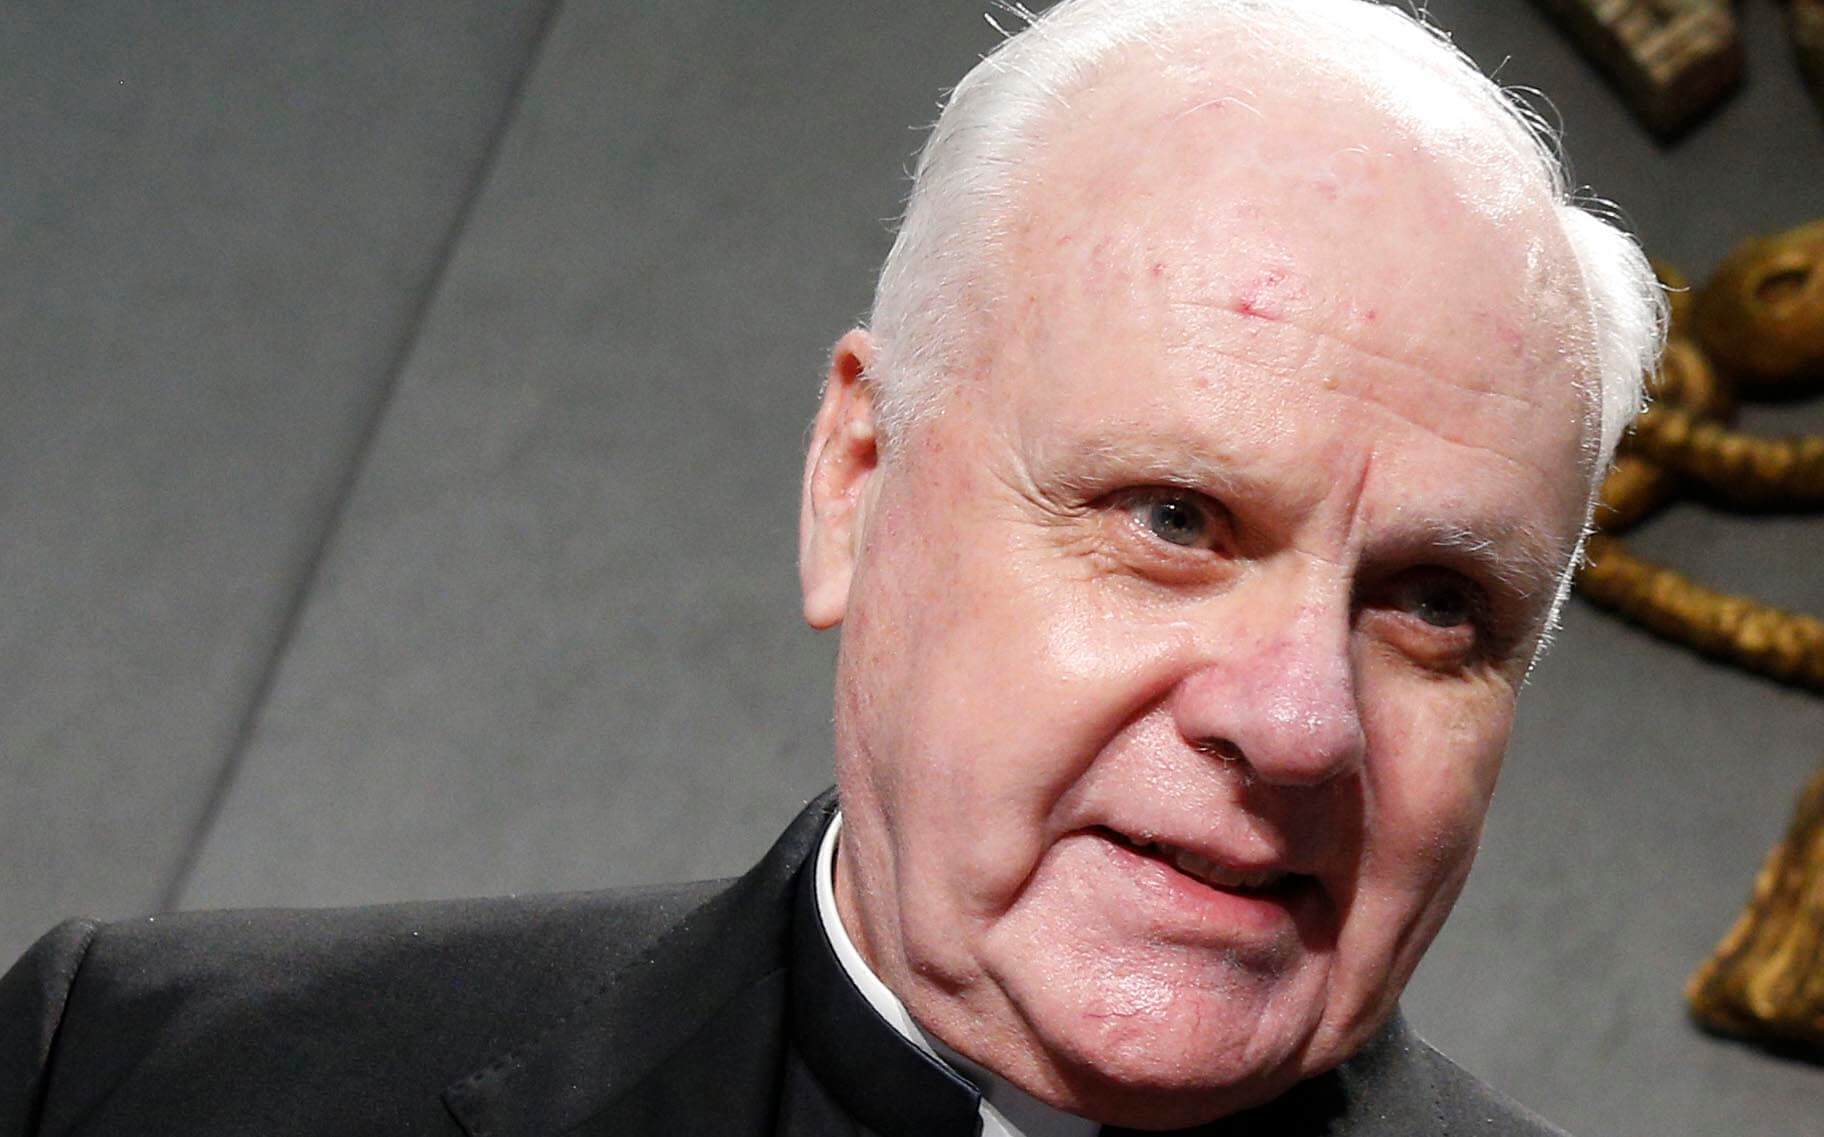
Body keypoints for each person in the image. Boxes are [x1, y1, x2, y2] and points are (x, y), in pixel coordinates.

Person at [0, 0, 1661, 1132]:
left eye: (1435, 606)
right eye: (1173, 517)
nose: (1297, 722)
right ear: (856, 482)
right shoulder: (147, 1074)